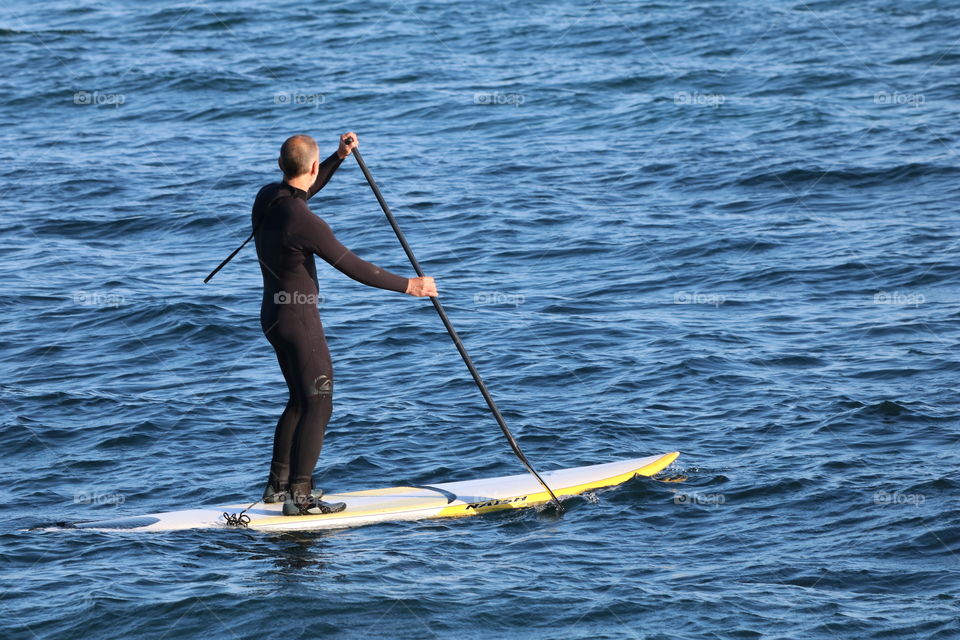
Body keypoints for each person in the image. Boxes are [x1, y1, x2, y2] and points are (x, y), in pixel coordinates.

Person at [253, 132, 437, 516]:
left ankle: (277, 486)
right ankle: (299, 498)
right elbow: (353, 265)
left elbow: (302, 192)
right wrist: (410, 286)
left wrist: (338, 157)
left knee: (299, 399)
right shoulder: (306, 221)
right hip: (299, 321)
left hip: (272, 317)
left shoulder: (267, 198)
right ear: (313, 166)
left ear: (281, 166)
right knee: (319, 401)